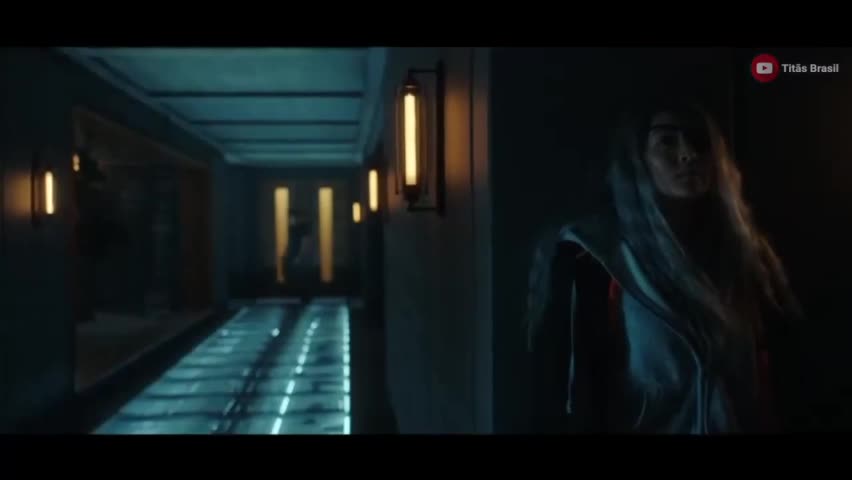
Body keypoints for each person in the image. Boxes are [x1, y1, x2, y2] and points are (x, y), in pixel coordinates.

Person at [525, 98, 808, 434]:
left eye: (699, 140)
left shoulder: (742, 258)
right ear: (639, 157)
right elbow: (568, 393)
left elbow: (770, 381)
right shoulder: (595, 255)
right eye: (667, 141)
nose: (688, 153)